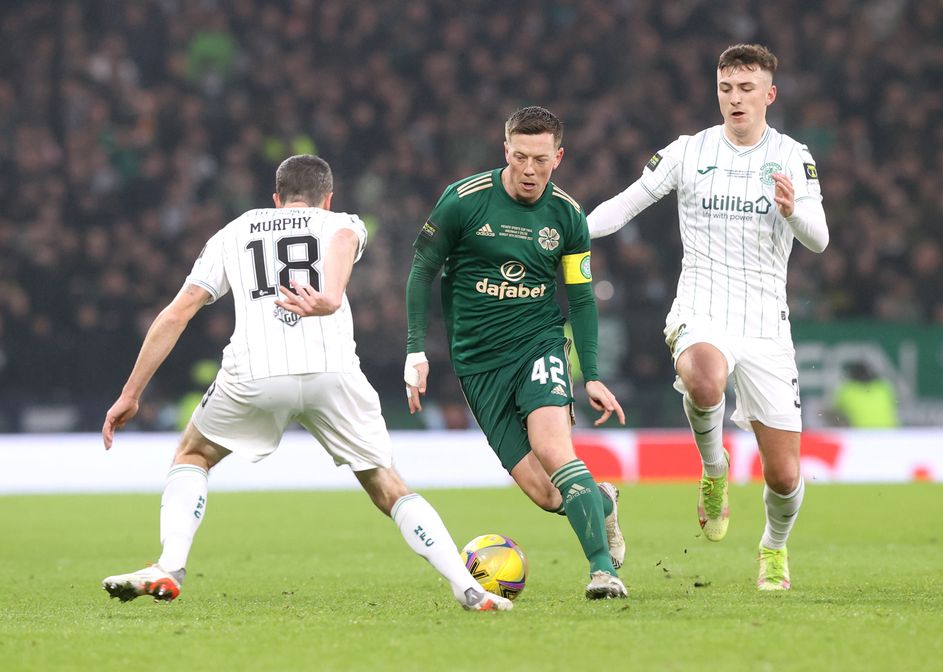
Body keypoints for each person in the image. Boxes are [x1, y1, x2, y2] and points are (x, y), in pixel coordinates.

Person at [101, 154, 512, 612]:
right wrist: (331, 295)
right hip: (332, 372)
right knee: (387, 484)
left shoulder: (235, 231)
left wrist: (130, 393)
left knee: (193, 454)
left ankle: (170, 566)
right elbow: (339, 239)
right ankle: (468, 587)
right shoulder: (342, 221)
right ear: (328, 197)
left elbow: (178, 312)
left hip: (255, 373)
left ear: (276, 198)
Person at [588, 44, 829, 591]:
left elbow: (820, 240)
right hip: (702, 307)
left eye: (746, 89)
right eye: (726, 88)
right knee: (702, 375)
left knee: (785, 476)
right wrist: (572, 228)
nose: (735, 99)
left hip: (766, 323)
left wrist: (793, 211)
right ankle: (714, 470)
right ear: (716, 91)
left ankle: (773, 547)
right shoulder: (688, 152)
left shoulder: (793, 156)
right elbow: (624, 204)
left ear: (769, 95)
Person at [402, 106, 629, 599]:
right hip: (478, 364)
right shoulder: (463, 202)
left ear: (559, 157)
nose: (530, 170)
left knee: (554, 449)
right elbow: (422, 271)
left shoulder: (567, 216)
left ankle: (602, 571)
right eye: (521, 156)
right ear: (505, 150)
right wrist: (415, 350)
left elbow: (583, 297)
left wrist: (589, 373)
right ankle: (601, 503)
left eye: (541, 160)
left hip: (539, 344)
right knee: (547, 494)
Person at [833, 361, 899, 428]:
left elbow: (833, 410)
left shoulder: (847, 390)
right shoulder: (884, 387)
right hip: (890, 433)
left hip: (860, 434)